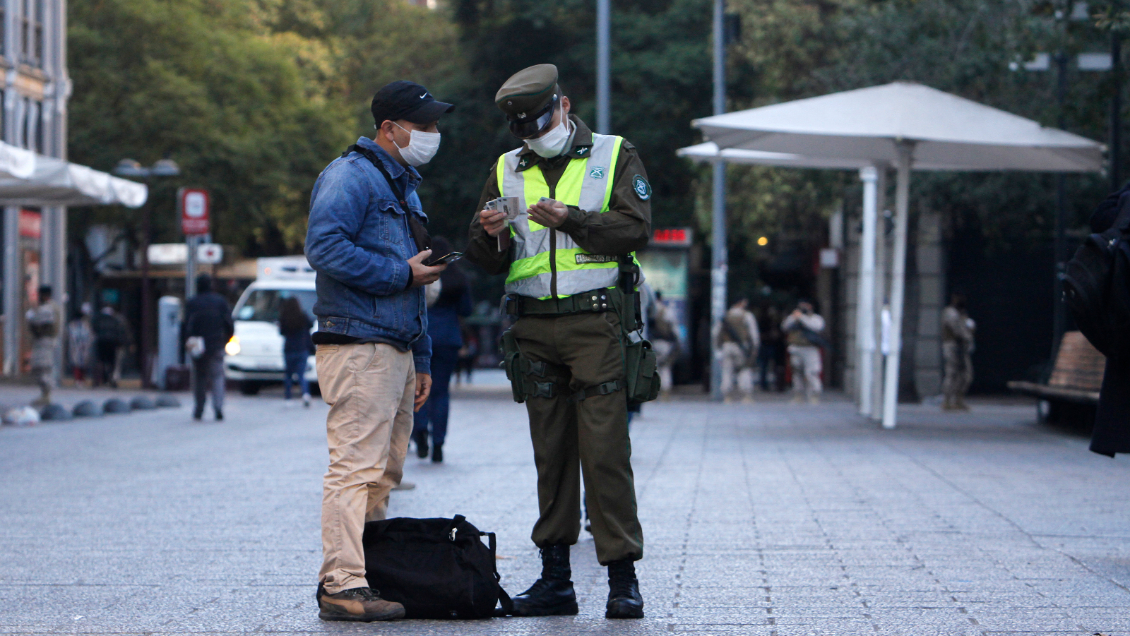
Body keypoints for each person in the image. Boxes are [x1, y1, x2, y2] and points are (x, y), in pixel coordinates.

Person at [466, 64, 649, 620]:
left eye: (540, 121)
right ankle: (555, 580)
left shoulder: (614, 154)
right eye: (523, 128)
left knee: (605, 451)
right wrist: (487, 233)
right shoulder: (507, 166)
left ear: (563, 107)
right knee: (551, 454)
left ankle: (623, 580)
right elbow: (484, 257)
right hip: (533, 328)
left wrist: (573, 219)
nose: (533, 133)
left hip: (595, 323)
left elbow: (636, 228)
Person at [304, 80, 452, 623]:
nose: (434, 133)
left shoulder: (403, 185)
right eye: (425, 124)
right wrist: (398, 272)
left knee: (385, 472)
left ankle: (368, 574)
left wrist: (425, 357)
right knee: (354, 468)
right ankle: (340, 583)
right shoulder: (350, 176)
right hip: (358, 344)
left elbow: (417, 280)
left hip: (397, 347)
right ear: (389, 127)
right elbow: (323, 247)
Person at [412, 237, 472, 463]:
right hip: (448, 338)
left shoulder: (423, 274)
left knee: (419, 389)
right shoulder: (459, 278)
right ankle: (438, 443)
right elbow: (466, 310)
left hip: (422, 336)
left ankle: (420, 432)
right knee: (441, 392)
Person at [184, 275, 234, 421]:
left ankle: (199, 408)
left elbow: (186, 326)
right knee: (218, 376)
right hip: (217, 343)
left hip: (198, 346)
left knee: (199, 377)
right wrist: (226, 339)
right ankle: (218, 407)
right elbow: (229, 323)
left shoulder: (192, 303)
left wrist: (187, 342)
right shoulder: (220, 301)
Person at [712, 298, 759, 403]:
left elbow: (715, 333)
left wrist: (717, 347)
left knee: (726, 371)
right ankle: (746, 396)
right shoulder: (747, 315)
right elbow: (754, 334)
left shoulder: (726, 316)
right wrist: (754, 348)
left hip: (726, 346)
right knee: (744, 369)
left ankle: (727, 396)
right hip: (741, 347)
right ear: (741, 303)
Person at [782, 300, 827, 403]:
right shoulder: (793, 318)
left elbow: (817, 327)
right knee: (796, 373)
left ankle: (814, 395)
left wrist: (802, 317)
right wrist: (794, 317)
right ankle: (798, 395)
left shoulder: (816, 318)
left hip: (810, 349)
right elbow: (785, 327)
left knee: (812, 373)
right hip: (796, 348)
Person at [26, 286, 62, 406]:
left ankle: (46, 394)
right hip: (45, 341)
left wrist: (31, 316)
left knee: (42, 366)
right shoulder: (52, 307)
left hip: (44, 341)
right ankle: (45, 393)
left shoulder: (48, 308)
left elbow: (38, 322)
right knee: (41, 366)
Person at [941, 293, 976, 411]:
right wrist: (967, 335)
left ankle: (958, 399)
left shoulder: (961, 313)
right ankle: (947, 401)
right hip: (952, 345)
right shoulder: (950, 312)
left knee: (966, 375)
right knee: (952, 373)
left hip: (962, 347)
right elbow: (956, 330)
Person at [278, 295, 314, 407]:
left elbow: (282, 332)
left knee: (288, 375)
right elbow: (310, 325)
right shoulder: (302, 316)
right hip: (302, 348)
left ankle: (288, 398)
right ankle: (305, 395)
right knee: (302, 374)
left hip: (289, 348)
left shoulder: (284, 317)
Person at [649, 291, 679, 398]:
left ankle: (652, 391)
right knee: (665, 367)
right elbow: (674, 328)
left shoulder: (649, 310)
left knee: (651, 367)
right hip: (665, 343)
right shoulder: (666, 311)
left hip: (651, 342)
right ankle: (665, 391)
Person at [92, 305, 128, 388]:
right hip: (112, 343)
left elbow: (95, 329)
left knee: (100, 361)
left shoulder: (99, 319)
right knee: (112, 363)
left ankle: (98, 381)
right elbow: (120, 331)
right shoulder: (115, 320)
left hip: (101, 342)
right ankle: (111, 380)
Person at [67, 303, 95, 386]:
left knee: (77, 363)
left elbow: (69, 335)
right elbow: (90, 336)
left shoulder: (72, 325)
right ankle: (80, 379)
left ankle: (78, 379)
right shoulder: (86, 325)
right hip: (83, 346)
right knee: (81, 364)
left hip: (76, 346)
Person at [757, 306, 783, 392]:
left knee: (775, 366)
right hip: (766, 345)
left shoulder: (777, 322)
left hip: (775, 345)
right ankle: (764, 385)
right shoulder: (764, 321)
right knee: (764, 366)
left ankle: (778, 385)